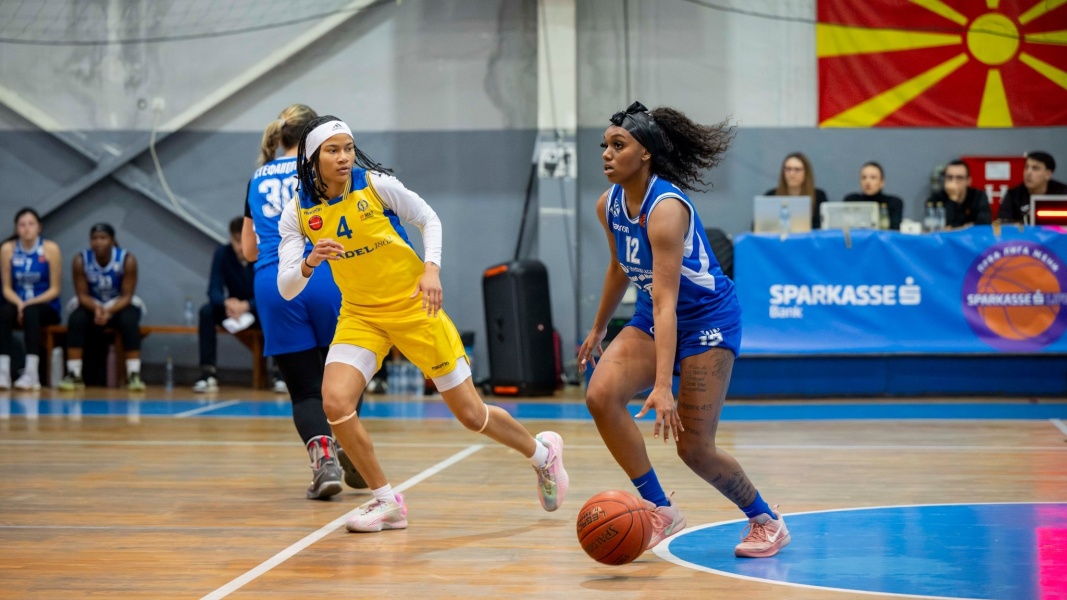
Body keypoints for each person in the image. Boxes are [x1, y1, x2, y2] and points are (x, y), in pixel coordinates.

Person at [277, 115, 568, 532]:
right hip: (361, 315)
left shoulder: (375, 185)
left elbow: (428, 218)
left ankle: (542, 455)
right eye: (333, 150)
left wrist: (431, 269)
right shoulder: (298, 211)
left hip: (415, 308)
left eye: (348, 148)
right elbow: (287, 287)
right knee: (335, 403)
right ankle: (387, 502)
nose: (344, 157)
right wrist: (310, 261)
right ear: (311, 158)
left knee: (471, 414)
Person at [578, 101, 789, 558]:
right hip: (654, 316)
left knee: (694, 448)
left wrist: (662, 387)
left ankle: (766, 520)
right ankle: (661, 508)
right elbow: (618, 266)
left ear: (646, 153)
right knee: (600, 396)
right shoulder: (607, 204)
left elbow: (667, 302)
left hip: (707, 319)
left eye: (619, 145)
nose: (607, 154)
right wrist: (598, 328)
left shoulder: (666, 209)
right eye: (605, 145)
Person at [242, 104, 366, 500]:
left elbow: (248, 250)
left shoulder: (257, 177)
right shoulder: (320, 169)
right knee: (348, 368)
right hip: (327, 273)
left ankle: (324, 461)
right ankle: (351, 445)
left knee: (305, 390)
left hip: (276, 283)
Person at [58, 223, 145, 392]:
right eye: (95, 238)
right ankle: (74, 374)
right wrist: (97, 309)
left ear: (112, 241)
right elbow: (82, 294)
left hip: (118, 304)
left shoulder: (127, 260)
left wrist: (109, 310)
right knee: (76, 319)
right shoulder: (80, 260)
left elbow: (127, 295)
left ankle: (134, 375)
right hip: (93, 304)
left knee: (129, 320)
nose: (98, 242)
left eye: (103, 238)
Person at [192, 216, 259, 393]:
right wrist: (225, 303)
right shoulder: (223, 253)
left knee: (278, 312)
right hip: (232, 310)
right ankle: (208, 373)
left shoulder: (263, 254)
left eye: (244, 240)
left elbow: (271, 292)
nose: (241, 247)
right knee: (207, 311)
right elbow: (213, 289)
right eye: (236, 241)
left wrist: (247, 305)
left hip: (258, 309)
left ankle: (279, 374)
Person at [0, 208, 62, 391]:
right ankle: (3, 371)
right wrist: (19, 303)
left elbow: (55, 289)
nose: (26, 228)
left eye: (31, 224)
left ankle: (31, 372)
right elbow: (6, 288)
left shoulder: (50, 249)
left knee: (31, 312)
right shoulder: (8, 249)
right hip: (17, 302)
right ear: (16, 228)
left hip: (45, 306)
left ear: (39, 227)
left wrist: (27, 304)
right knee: (4, 312)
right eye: (22, 224)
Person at [998, 151, 1067, 224]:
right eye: (1026, 167)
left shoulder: (1063, 193)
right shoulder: (1013, 195)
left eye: (1035, 168)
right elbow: (1003, 223)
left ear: (1048, 174)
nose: (1028, 172)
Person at [764, 152, 828, 230]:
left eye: (797, 170)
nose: (792, 174)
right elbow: (757, 226)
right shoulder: (771, 196)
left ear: (806, 173)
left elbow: (824, 226)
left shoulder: (819, 196)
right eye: (788, 169)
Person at [926, 160, 991, 230]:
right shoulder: (936, 198)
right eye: (949, 177)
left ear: (968, 181)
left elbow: (984, 224)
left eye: (959, 178)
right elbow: (939, 227)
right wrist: (953, 198)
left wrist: (955, 228)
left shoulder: (978, 196)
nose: (954, 182)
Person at [843, 161, 904, 230]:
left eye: (873, 177)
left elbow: (894, 230)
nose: (867, 182)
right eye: (864, 177)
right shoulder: (851, 201)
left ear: (882, 182)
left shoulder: (893, 202)